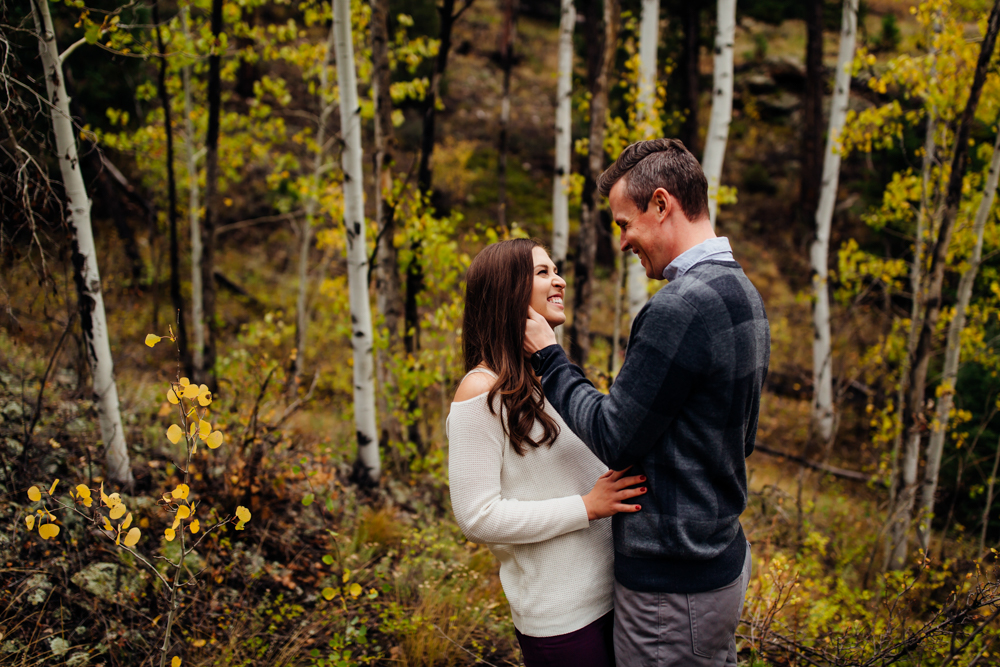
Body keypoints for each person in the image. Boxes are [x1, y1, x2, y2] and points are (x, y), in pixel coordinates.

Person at [523, 138, 771, 666]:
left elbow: (615, 437)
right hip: (718, 560)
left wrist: (549, 358)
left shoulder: (679, 307)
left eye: (623, 223)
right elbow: (741, 437)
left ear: (661, 205)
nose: (622, 242)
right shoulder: (742, 291)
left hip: (672, 583)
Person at [448, 238, 647, 667]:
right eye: (543, 272)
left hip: (622, 595)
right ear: (508, 290)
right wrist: (587, 508)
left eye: (556, 271)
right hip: (563, 618)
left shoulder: (554, 376)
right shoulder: (480, 388)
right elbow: (476, 516)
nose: (558, 281)